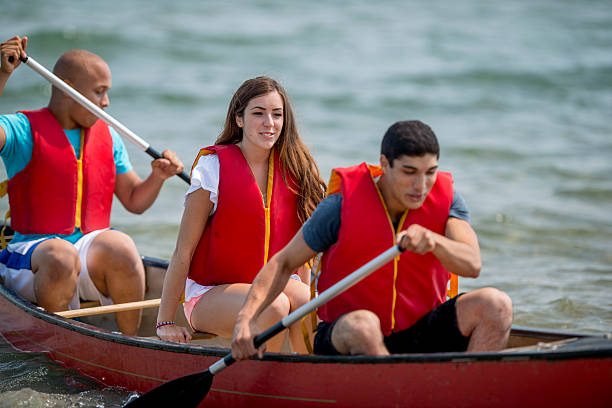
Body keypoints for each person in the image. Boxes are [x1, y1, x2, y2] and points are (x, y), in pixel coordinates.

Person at [231, 120, 513, 359]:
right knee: (364, 325)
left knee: (495, 304)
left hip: (419, 330)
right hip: (346, 333)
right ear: (384, 164)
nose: (421, 186)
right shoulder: (341, 205)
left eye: (430, 173)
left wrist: (435, 242)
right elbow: (283, 263)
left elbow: (472, 264)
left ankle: (465, 394)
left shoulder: (448, 202)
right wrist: (247, 319)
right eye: (409, 172)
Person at [0, 35, 185, 335]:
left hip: (85, 249)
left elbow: (135, 201)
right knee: (61, 257)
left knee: (122, 247)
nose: (106, 102)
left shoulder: (108, 137)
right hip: (32, 252)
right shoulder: (22, 128)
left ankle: (130, 343)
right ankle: (61, 341)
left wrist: (158, 177)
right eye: (99, 92)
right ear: (69, 88)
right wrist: (3, 74)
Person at [155, 76, 326, 353]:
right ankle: (262, 382)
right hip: (211, 295)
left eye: (277, 114)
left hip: (272, 286)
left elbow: (300, 254)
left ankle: (308, 373)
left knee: (310, 301)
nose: (269, 123)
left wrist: (303, 294)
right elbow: (182, 251)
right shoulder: (213, 168)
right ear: (239, 119)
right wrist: (165, 322)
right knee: (275, 305)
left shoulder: (295, 169)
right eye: (258, 113)